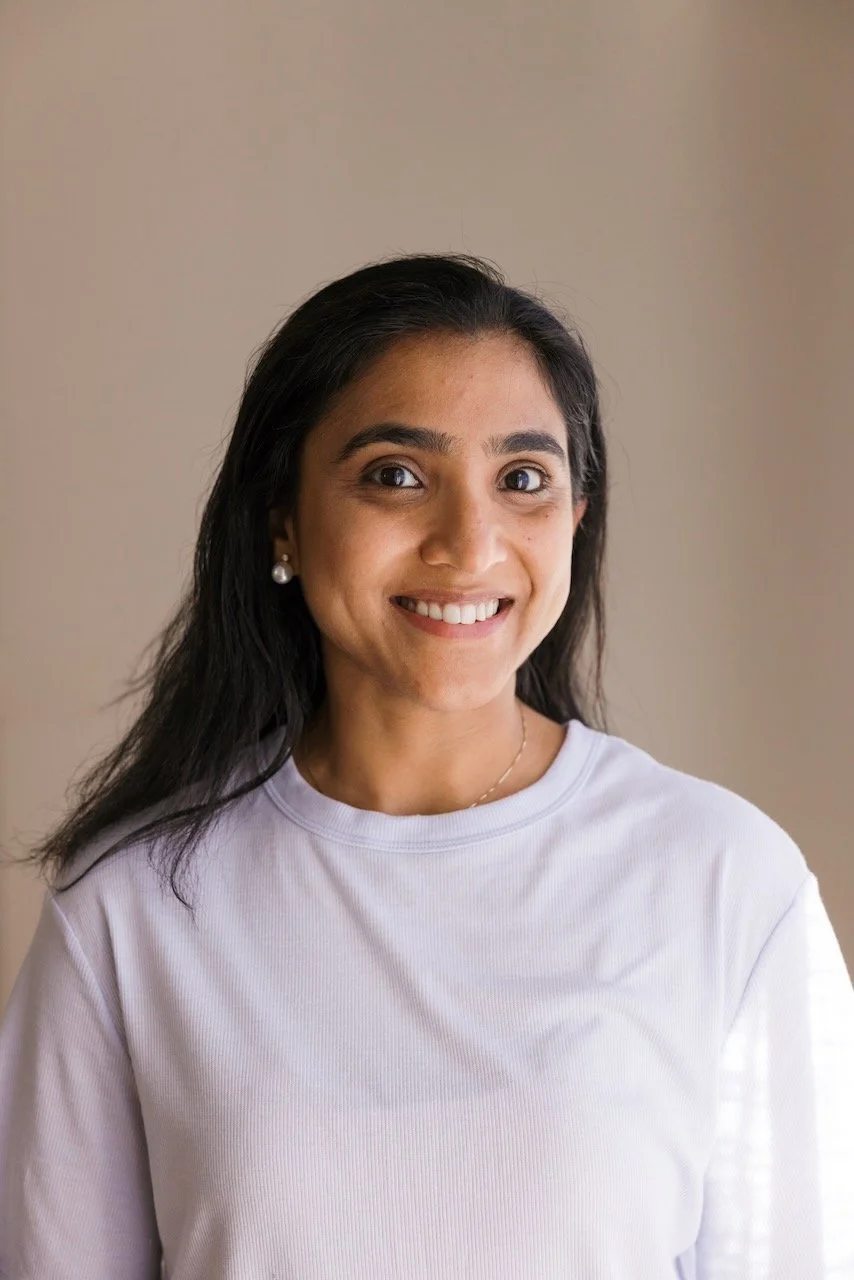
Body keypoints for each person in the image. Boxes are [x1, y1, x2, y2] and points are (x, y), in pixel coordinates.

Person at [0, 253, 852, 1279]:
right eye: (395, 475)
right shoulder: (129, 907)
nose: (469, 540)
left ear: (575, 520)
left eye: (522, 480)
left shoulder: (724, 881)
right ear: (282, 516)